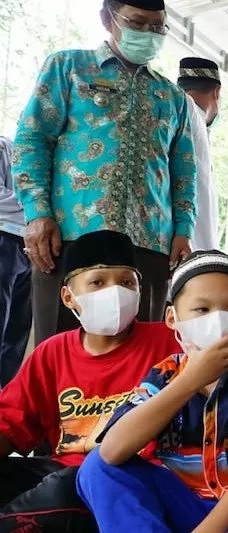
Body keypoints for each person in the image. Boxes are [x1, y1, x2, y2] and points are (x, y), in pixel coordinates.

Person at [12, 0, 197, 346]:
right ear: (107, 19)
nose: (149, 33)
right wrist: (37, 213)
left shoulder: (171, 96)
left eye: (158, 27)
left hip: (149, 244)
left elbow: (184, 169)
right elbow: (32, 139)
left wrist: (183, 229)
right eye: (137, 23)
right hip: (70, 236)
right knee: (62, 347)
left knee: (143, 352)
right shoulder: (68, 67)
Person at [76, 250, 228, 532]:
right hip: (180, 501)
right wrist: (189, 381)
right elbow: (112, 450)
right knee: (97, 467)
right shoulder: (166, 374)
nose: (220, 319)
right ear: (172, 318)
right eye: (202, 309)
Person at [0, 230, 179, 532]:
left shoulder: (169, 341)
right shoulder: (52, 353)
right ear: (69, 296)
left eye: (127, 282)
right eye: (97, 282)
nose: (115, 292)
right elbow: (10, 421)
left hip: (130, 475)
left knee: (68, 484)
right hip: (59, 471)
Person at [178, 56, 221, 251]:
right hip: (188, 247)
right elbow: (200, 194)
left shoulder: (174, 112)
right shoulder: (194, 117)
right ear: (216, 93)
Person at [0, 135, 31, 387]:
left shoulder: (17, 149)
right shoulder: (2, 146)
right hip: (4, 235)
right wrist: (37, 207)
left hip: (29, 241)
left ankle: (7, 390)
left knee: (19, 322)